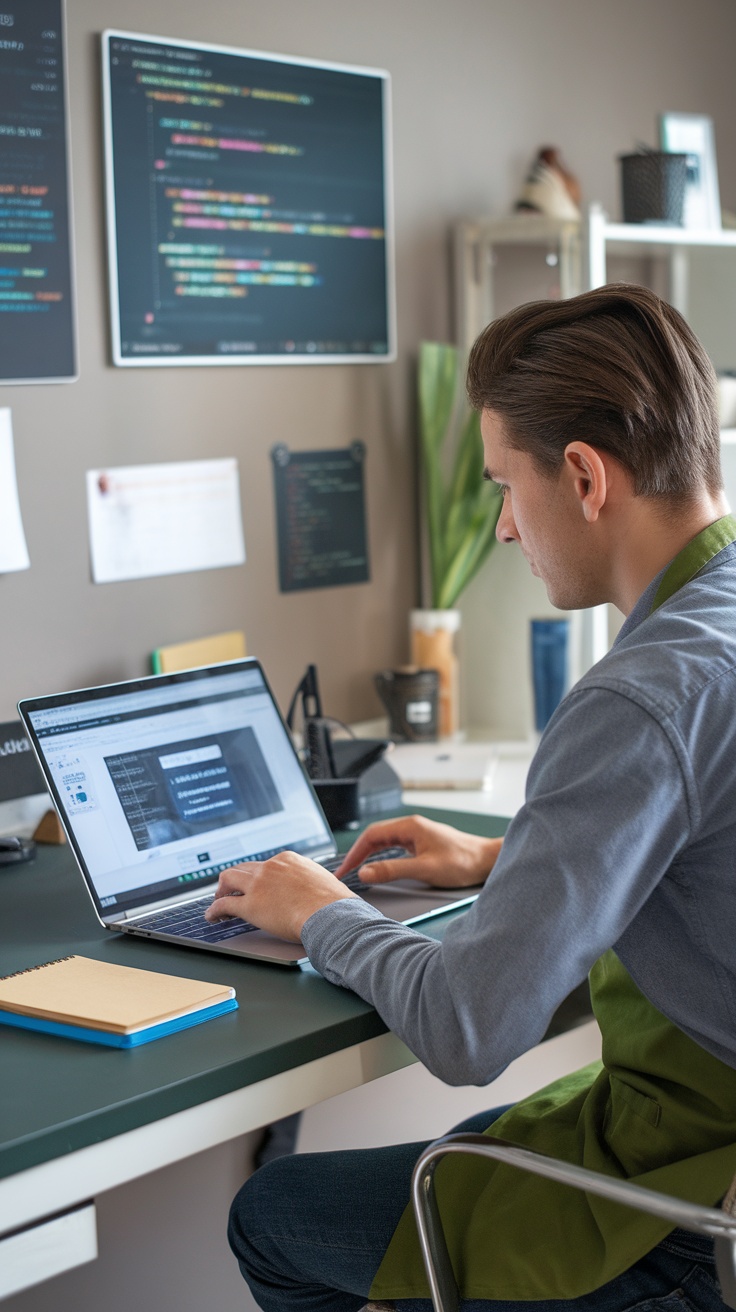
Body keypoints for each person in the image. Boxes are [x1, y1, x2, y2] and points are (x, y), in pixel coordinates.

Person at [206, 283, 736, 1312]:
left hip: (683, 1193)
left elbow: (468, 1026)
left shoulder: (637, 696)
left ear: (582, 476)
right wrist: (506, 861)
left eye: (504, 484)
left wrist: (322, 912)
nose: (500, 526)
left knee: (270, 1217)